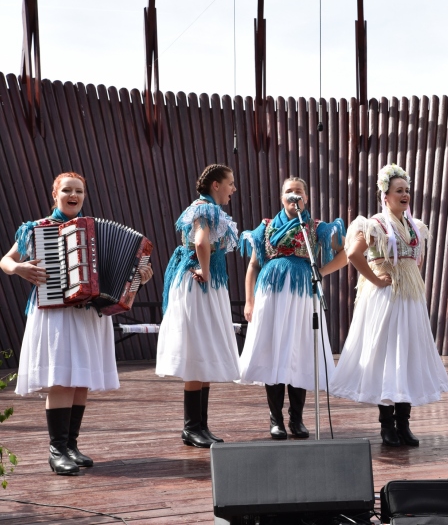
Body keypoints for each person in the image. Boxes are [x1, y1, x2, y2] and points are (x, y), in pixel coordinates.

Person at [2, 172, 153, 475]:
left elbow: (119, 275)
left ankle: (71, 446)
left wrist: (138, 278)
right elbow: (5, 261)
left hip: (87, 314)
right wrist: (19, 268)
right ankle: (56, 450)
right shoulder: (37, 229)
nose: (73, 196)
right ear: (54, 194)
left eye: (79, 191)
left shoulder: (93, 231)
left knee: (80, 379)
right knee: (61, 379)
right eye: (67, 190)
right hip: (54, 313)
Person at [329, 164, 448, 447]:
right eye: (399, 190)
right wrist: (374, 277)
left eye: (407, 190)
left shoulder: (415, 226)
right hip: (386, 297)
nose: (405, 194)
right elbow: (353, 253)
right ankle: (386, 424)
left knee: (407, 354)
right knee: (387, 355)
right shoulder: (374, 224)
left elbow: (414, 260)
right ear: (386, 195)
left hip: (410, 298)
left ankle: (403, 423)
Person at [238, 177, 346, 439]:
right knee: (273, 352)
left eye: (299, 192)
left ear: (306, 199)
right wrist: (249, 300)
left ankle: (296, 419)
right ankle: (276, 419)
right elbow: (253, 266)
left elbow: (344, 254)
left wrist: (320, 271)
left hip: (302, 296)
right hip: (271, 295)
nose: (294, 195)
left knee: (299, 352)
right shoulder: (265, 227)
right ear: (281, 197)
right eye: (289, 191)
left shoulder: (315, 227)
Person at [156, 164, 239, 448]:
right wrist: (204, 270)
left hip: (204, 284)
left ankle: (199, 426)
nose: (233, 189)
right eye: (230, 183)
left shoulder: (206, 209)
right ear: (216, 185)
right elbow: (202, 242)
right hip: (198, 284)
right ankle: (192, 427)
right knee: (197, 350)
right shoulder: (204, 209)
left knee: (202, 350)